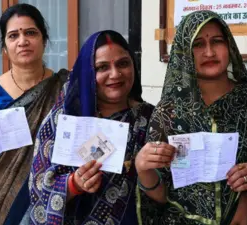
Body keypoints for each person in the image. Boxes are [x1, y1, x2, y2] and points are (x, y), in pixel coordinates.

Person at [136, 10, 247, 225]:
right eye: (198, 44)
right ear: (185, 51)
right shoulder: (168, 111)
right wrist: (143, 167)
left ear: (229, 46)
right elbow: (161, 195)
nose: (209, 52)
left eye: (217, 41)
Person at [29, 30, 154, 225]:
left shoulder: (149, 119)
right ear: (87, 72)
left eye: (123, 63)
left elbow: (167, 192)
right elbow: (39, 190)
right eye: (102, 67)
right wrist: (74, 184)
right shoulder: (63, 118)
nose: (115, 74)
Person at [0, 4, 68, 225]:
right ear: (5, 47)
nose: (23, 41)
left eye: (30, 32)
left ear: (44, 40)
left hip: (53, 202)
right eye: (13, 35)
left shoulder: (66, 89)